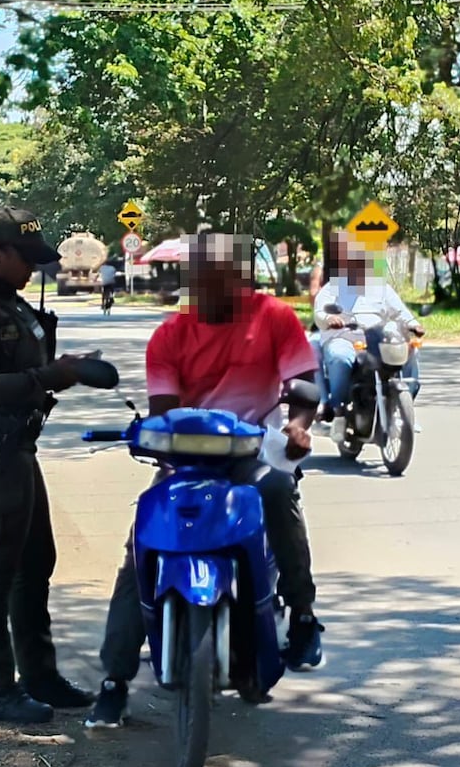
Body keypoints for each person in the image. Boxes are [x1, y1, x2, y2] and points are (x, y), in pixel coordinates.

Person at [85, 231, 324, 729]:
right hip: (188, 464)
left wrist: (299, 427)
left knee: (279, 491)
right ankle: (114, 680)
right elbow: (164, 412)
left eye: (223, 280)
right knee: (142, 544)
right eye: (203, 280)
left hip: (254, 452)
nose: (213, 291)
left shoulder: (275, 319)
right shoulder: (170, 336)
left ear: (244, 280)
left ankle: (302, 614)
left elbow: (304, 385)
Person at [0, 206, 95, 725]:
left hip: (14, 447)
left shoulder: (14, 305)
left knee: (36, 564)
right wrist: (51, 376)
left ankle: (40, 675)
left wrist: (58, 368)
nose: (33, 269)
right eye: (24, 258)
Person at [311, 235, 423, 423]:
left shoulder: (381, 288)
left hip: (375, 341)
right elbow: (319, 313)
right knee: (339, 357)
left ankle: (402, 407)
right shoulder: (333, 288)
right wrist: (330, 318)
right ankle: (337, 407)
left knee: (409, 352)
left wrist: (413, 324)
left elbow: (400, 312)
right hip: (344, 339)